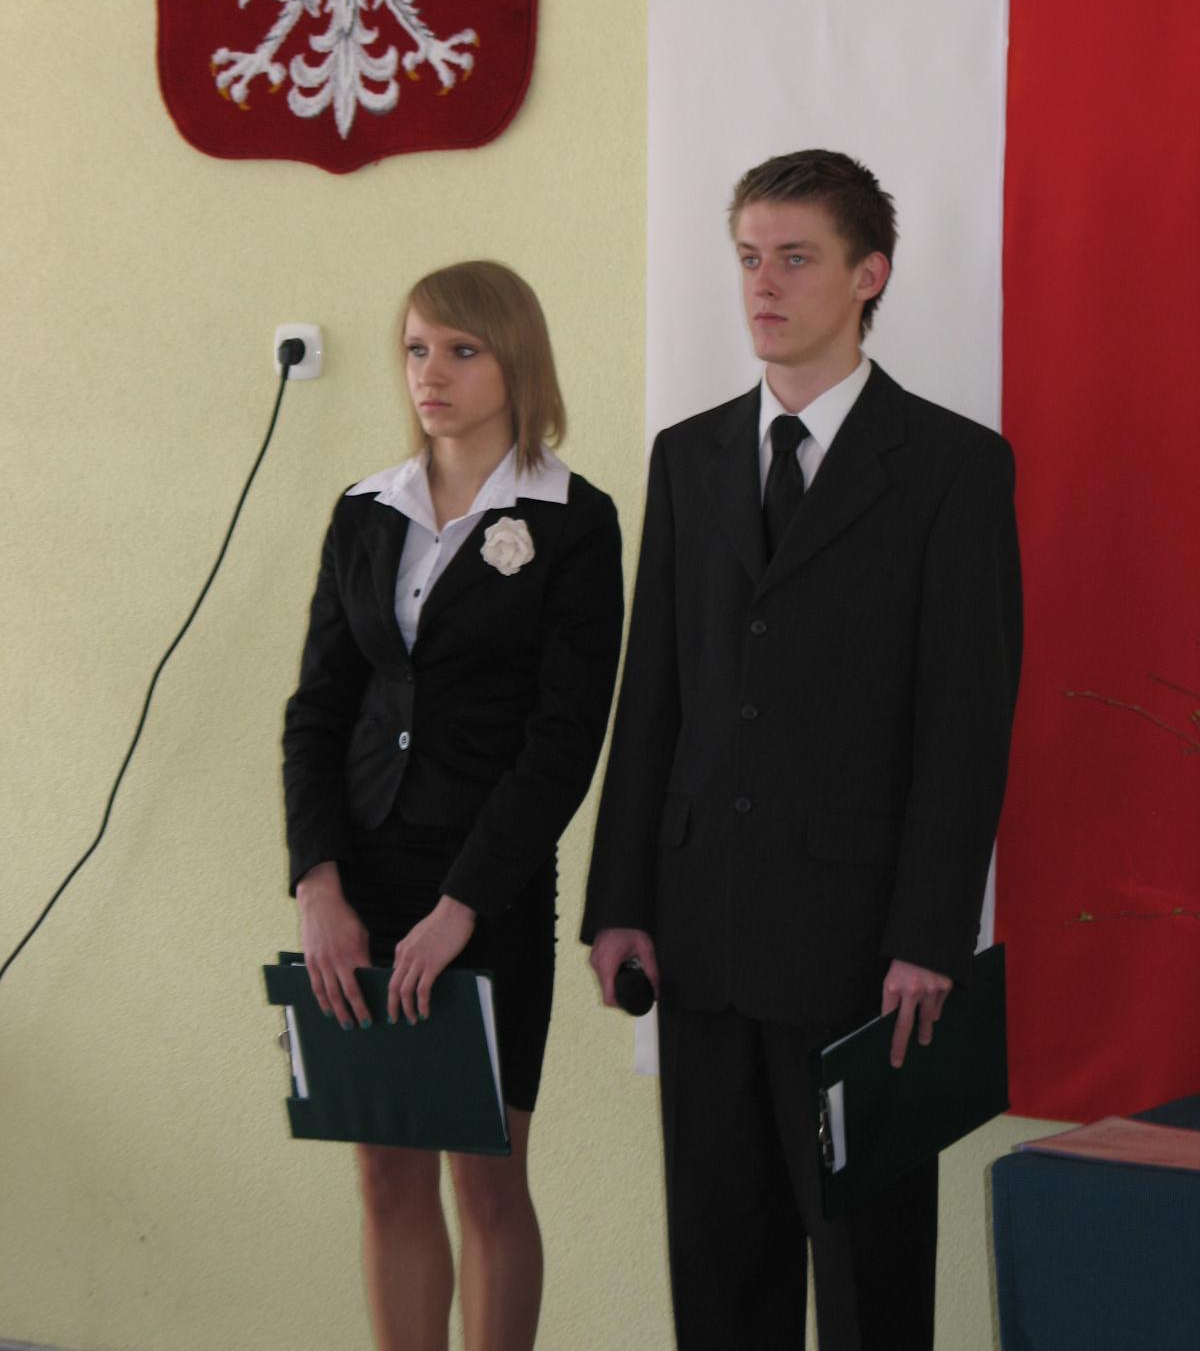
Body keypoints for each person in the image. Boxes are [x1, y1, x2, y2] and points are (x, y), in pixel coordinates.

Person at [582, 151, 1022, 1351]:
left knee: (872, 1284)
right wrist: (620, 900)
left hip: (864, 952)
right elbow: (652, 696)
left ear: (867, 275)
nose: (763, 285)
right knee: (722, 1273)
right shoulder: (690, 456)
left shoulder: (954, 468)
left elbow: (966, 724)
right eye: (747, 257)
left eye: (794, 257)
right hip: (703, 932)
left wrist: (930, 934)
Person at [283, 261, 623, 1351]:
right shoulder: (364, 511)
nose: (431, 373)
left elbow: (564, 744)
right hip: (364, 877)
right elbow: (318, 709)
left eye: (462, 351)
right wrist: (318, 883)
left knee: (486, 1175)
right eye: (417, 349)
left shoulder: (575, 521)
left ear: (516, 362)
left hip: (491, 884)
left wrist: (464, 902)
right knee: (385, 1171)